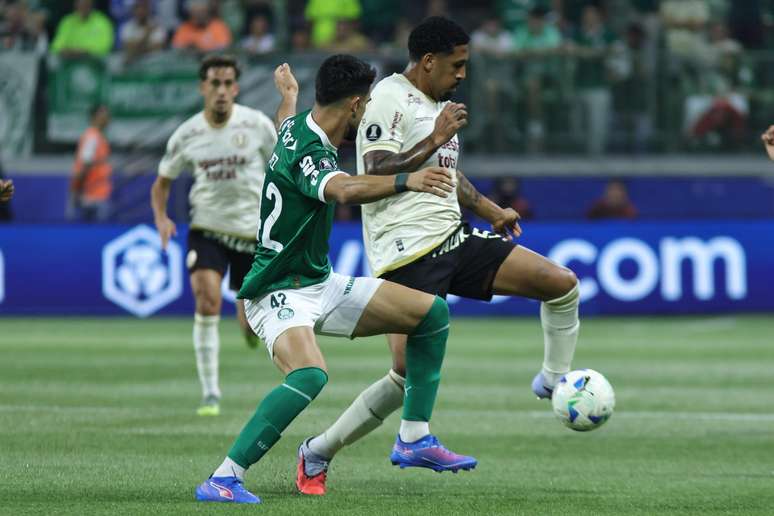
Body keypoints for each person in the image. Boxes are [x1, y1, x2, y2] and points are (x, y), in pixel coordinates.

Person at [295, 17, 579, 496]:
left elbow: (445, 171)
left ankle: (554, 380)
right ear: (428, 61)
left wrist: (491, 209)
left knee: (561, 283)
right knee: (405, 377)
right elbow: (375, 166)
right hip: (404, 251)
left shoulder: (438, 105)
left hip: (453, 237)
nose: (463, 74)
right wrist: (433, 137)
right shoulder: (388, 96)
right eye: (457, 64)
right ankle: (327, 449)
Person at [194, 54, 475, 505]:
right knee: (309, 376)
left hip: (317, 283)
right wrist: (408, 180)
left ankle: (414, 436)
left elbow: (286, 118)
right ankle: (223, 478)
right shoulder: (311, 150)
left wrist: (289, 95)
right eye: (365, 105)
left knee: (431, 314)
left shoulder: (298, 124)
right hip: (276, 289)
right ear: (356, 104)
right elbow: (343, 190)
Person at [151, 55, 297, 416]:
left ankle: (247, 326)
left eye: (227, 83)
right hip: (208, 230)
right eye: (214, 83)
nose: (221, 90)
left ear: (236, 87)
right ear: (203, 87)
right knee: (206, 301)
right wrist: (161, 218)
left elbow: (285, 163)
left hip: (252, 233)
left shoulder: (257, 124)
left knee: (251, 324)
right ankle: (211, 393)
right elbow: (162, 182)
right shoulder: (188, 133)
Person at [68, 105, 112, 222]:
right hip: (92, 197)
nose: (107, 119)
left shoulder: (98, 137)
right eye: (103, 115)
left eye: (108, 116)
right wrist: (76, 193)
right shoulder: (92, 137)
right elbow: (84, 167)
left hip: (96, 195)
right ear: (94, 117)